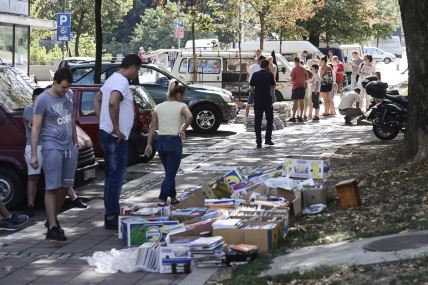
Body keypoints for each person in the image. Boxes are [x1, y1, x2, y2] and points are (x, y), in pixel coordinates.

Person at [94, 54, 142, 230]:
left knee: (110, 176)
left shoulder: (112, 78)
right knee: (116, 177)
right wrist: (115, 127)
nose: (136, 74)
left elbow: (97, 99)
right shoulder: (121, 82)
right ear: (133, 67)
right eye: (137, 70)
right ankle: (112, 215)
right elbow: (114, 101)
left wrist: (102, 121)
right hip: (115, 137)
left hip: (106, 133)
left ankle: (110, 213)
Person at [24, 89, 87, 217]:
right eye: (36, 99)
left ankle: (72, 199)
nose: (38, 102)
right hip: (34, 146)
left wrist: (74, 141)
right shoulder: (29, 109)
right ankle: (30, 205)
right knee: (33, 177)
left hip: (53, 145)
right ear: (33, 99)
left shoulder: (56, 105)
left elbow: (69, 121)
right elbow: (35, 125)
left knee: (63, 178)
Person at [31, 68, 77, 241]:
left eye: (68, 87)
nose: (66, 91)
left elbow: (71, 118)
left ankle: (53, 217)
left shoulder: (69, 95)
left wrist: (75, 140)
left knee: (66, 186)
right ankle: (52, 226)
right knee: (52, 187)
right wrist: (34, 154)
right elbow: (35, 127)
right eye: (63, 87)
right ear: (56, 82)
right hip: (52, 146)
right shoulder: (43, 99)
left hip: (69, 146)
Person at [145, 81, 193, 206]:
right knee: (170, 174)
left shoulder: (158, 107)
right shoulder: (181, 106)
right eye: (182, 95)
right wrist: (183, 129)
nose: (183, 97)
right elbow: (190, 117)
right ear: (178, 94)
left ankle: (173, 198)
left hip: (160, 141)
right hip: (173, 141)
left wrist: (149, 144)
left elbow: (152, 126)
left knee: (169, 172)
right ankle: (162, 199)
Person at [250, 59, 275, 148]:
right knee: (270, 120)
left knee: (257, 121)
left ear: (260, 65)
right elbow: (273, 85)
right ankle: (268, 139)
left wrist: (255, 93)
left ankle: (258, 142)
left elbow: (251, 88)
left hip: (258, 101)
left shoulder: (255, 75)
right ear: (267, 65)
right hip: (267, 100)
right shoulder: (269, 74)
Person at [289, 57, 308, 122]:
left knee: (295, 103)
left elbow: (292, 79)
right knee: (302, 102)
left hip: (296, 87)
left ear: (294, 61)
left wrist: (292, 81)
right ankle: (300, 116)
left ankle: (293, 117)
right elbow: (307, 77)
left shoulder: (294, 69)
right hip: (302, 87)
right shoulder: (303, 68)